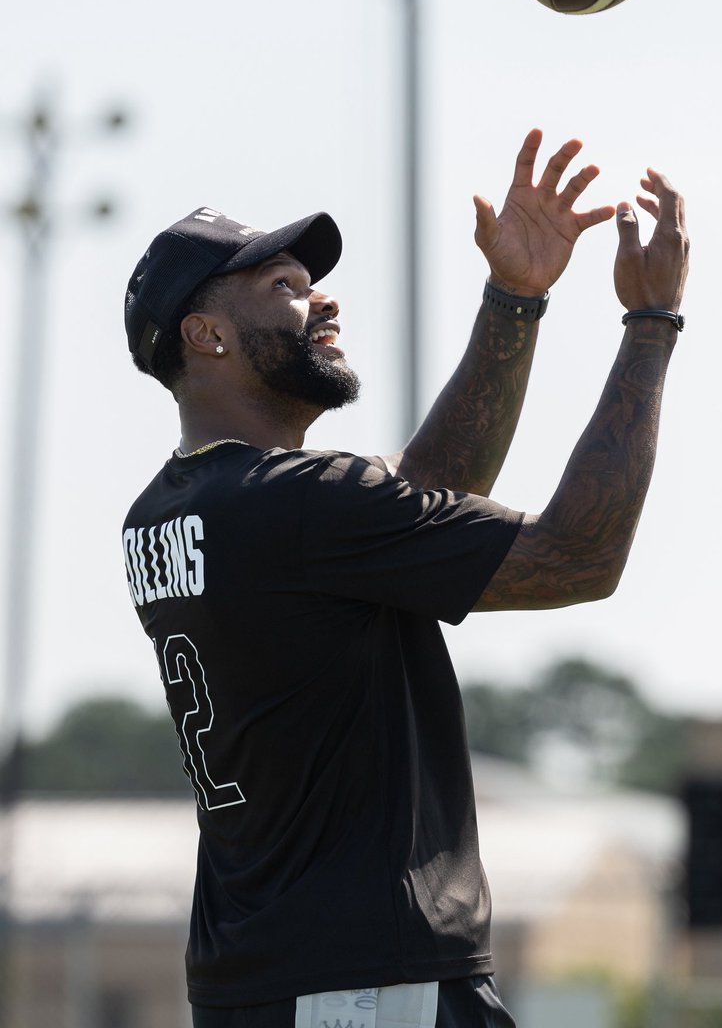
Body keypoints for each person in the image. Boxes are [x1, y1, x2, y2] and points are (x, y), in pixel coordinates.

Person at [122, 128, 688, 1028]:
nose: (323, 301)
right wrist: (651, 325)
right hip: (365, 991)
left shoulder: (170, 510)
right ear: (206, 334)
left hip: (264, 988)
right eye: (286, 289)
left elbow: (425, 487)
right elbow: (582, 554)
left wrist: (515, 297)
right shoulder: (295, 507)